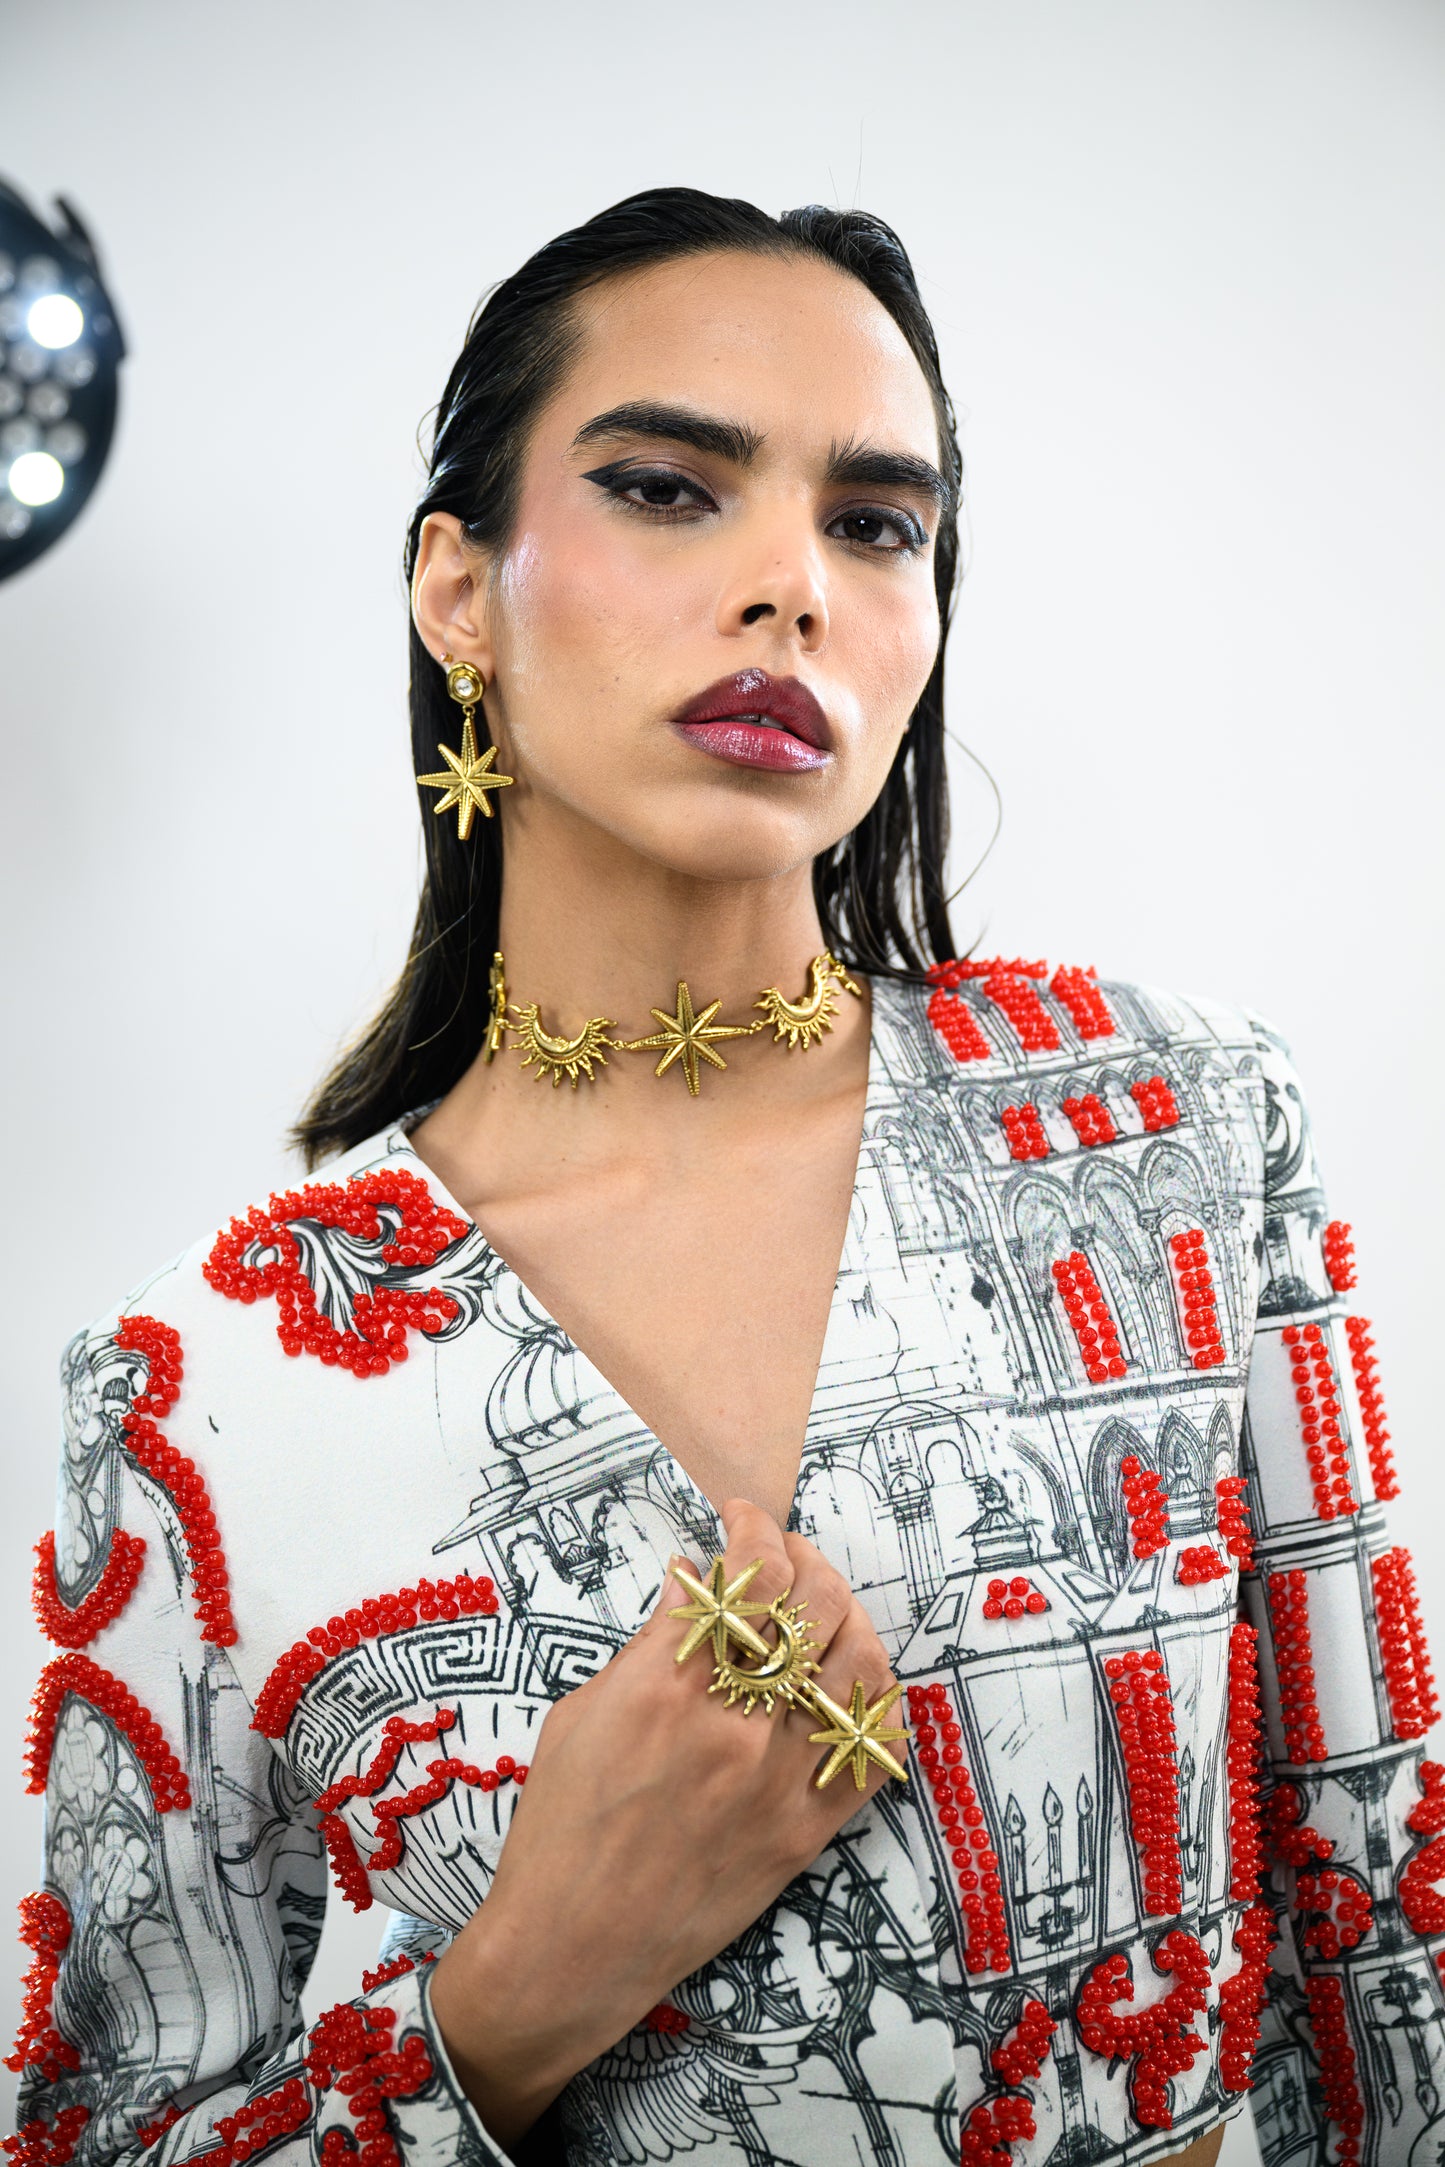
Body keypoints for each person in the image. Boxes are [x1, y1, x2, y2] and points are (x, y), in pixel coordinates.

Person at [8, 185, 1441, 2167]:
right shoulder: (202, 1393)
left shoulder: (1173, 1131)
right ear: (455, 588)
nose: (791, 583)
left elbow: (1385, 1953)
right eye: (672, 488)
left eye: (875, 522)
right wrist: (509, 2003)